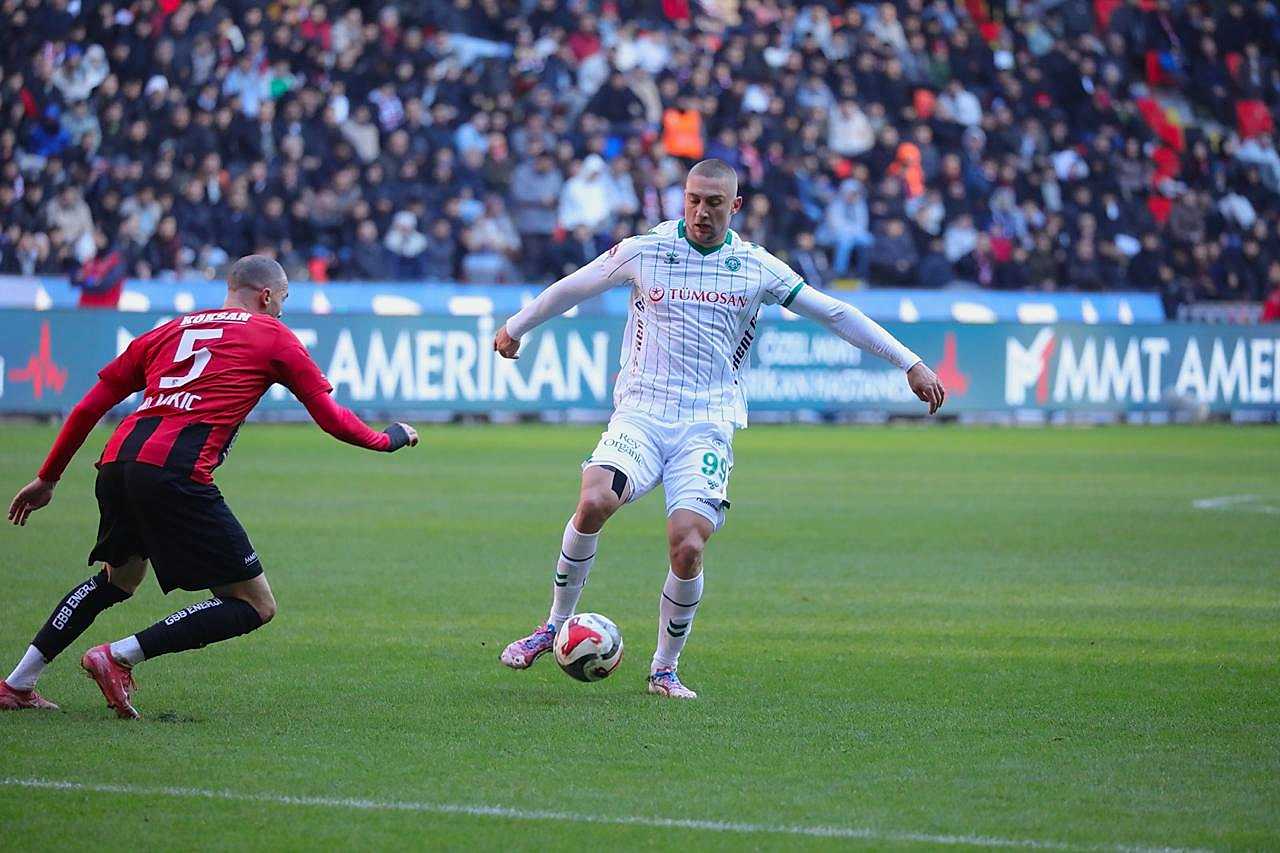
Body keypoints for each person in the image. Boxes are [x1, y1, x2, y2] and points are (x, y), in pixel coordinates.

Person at [493, 160, 945, 699]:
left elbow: (835, 313)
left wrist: (909, 362)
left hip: (706, 425)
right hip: (640, 413)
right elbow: (575, 287)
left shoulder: (754, 267)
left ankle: (664, 668)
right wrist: (516, 326)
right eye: (692, 199)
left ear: (734, 207)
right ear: (681, 199)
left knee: (687, 546)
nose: (700, 211)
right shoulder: (646, 251)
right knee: (593, 499)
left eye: (713, 203)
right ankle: (552, 627)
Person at [2, 255, 419, 718]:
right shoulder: (272, 334)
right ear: (266, 295)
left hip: (118, 463)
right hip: (174, 474)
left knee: (118, 579)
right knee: (254, 604)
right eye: (282, 299)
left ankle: (18, 682)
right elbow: (330, 417)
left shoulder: (170, 329)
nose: (282, 309)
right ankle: (118, 656)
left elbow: (87, 408)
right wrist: (387, 440)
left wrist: (49, 476)